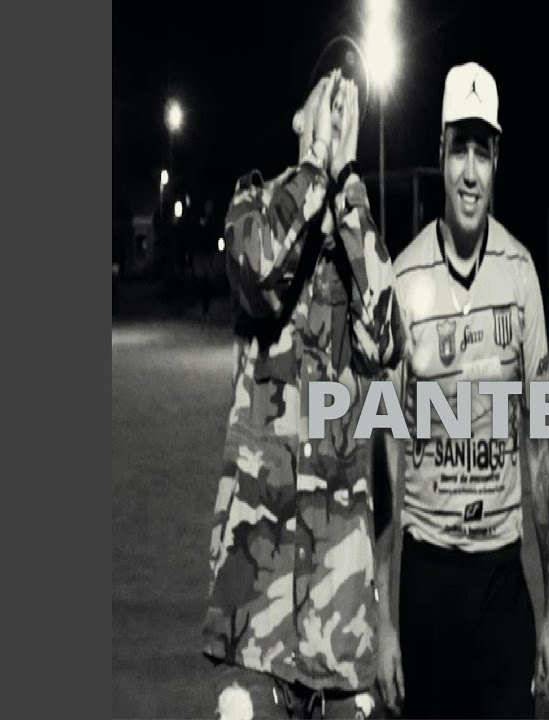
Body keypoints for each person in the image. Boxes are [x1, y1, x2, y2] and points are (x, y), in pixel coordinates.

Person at [201, 40, 405, 720]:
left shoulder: (356, 235)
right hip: (255, 614)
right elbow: (259, 274)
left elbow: (387, 339)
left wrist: (348, 187)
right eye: (330, 94)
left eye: (354, 103)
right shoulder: (252, 202)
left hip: (337, 615)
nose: (342, 110)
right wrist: (314, 164)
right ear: (299, 113)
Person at [374, 62, 549, 719]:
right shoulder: (404, 281)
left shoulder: (521, 274)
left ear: (497, 159)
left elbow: (541, 447)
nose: (470, 172)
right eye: (460, 149)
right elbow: (386, 456)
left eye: (483, 152)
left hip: (501, 582)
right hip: (427, 583)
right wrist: (385, 621)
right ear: (441, 153)